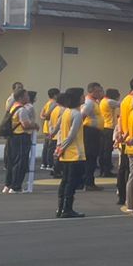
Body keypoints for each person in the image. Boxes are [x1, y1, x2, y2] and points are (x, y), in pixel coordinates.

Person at [53, 88, 88, 219]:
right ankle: (67, 209)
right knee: (71, 183)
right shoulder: (77, 114)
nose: (84, 97)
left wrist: (59, 147)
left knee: (65, 181)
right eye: (82, 95)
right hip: (75, 153)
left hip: (66, 154)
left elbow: (59, 130)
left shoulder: (66, 112)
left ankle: (60, 207)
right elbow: (72, 135)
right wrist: (62, 148)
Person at [1, 89, 37, 194]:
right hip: (21, 136)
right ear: (21, 97)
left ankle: (8, 185)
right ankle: (16, 186)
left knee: (11, 162)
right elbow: (25, 125)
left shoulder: (12, 107)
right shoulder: (22, 110)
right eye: (26, 96)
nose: (28, 98)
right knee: (20, 162)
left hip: (12, 137)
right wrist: (34, 125)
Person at [39, 88, 61, 173]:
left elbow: (42, 114)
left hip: (46, 127)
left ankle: (44, 163)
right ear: (55, 95)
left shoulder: (47, 103)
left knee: (46, 146)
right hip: (51, 127)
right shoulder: (54, 103)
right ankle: (49, 163)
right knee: (51, 147)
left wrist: (44, 118)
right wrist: (47, 117)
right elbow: (47, 115)